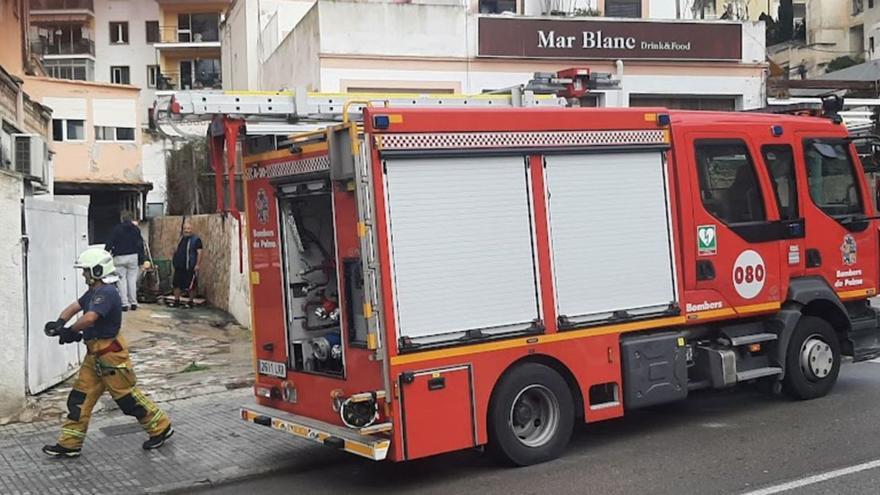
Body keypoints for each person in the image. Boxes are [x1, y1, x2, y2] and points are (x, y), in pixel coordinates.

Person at [42, 247, 174, 458]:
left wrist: (71, 331)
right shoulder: (93, 291)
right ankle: (70, 443)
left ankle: (161, 428)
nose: (84, 274)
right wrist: (59, 323)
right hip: (94, 357)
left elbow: (90, 318)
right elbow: (75, 307)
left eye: (86, 270)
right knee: (79, 399)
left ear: (97, 270)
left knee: (127, 399)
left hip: (111, 356)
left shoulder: (107, 292)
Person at [105, 211, 146, 311]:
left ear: (122, 218)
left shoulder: (117, 229)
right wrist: (142, 260)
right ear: (131, 218)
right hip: (133, 256)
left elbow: (110, 242)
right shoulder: (136, 229)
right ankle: (133, 302)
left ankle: (124, 304)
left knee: (121, 280)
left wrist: (106, 252)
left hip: (119, 257)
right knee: (132, 280)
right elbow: (140, 245)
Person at [172, 220, 203, 307]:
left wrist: (197, 264)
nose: (187, 230)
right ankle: (176, 301)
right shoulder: (181, 238)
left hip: (189, 266)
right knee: (176, 284)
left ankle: (190, 302)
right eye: (185, 229)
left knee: (191, 285)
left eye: (189, 228)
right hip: (179, 266)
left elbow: (200, 252)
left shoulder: (196, 240)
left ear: (192, 229)